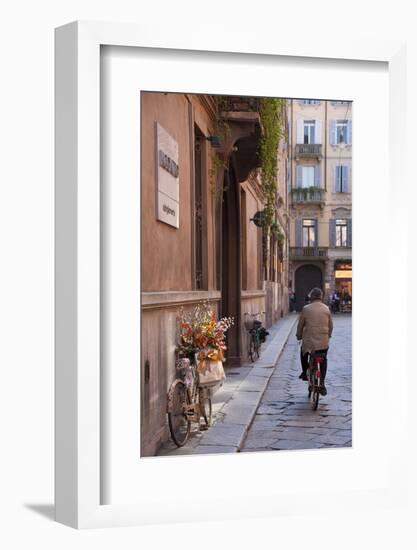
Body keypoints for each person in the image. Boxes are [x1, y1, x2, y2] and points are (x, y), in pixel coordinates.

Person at [296, 287, 333, 395]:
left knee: (303, 354)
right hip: (323, 342)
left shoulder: (306, 308)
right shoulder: (326, 309)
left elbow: (300, 325)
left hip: (309, 342)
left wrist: (299, 336)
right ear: (321, 296)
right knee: (324, 359)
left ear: (311, 296)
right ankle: (321, 382)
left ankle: (305, 372)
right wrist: (328, 335)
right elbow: (331, 326)